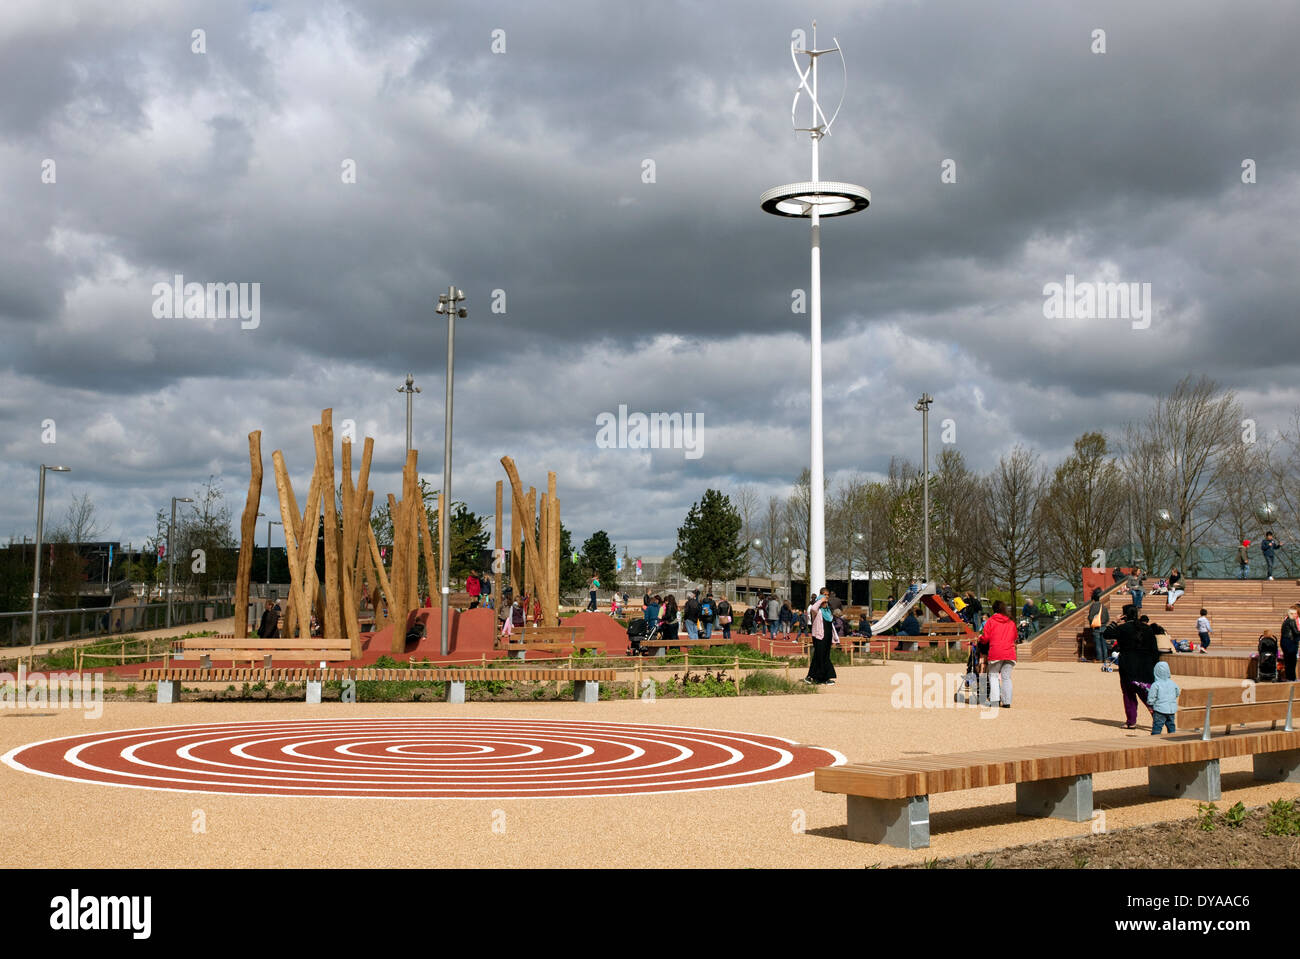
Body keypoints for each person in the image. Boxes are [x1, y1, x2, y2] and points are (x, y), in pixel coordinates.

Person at [1105, 604, 1160, 729]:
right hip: (1146, 665)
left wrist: (1115, 621)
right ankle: (1158, 718)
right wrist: (1154, 665)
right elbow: (1154, 650)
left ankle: (1131, 721)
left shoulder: (1123, 628)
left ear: (1124, 615)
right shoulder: (1147, 629)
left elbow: (1107, 634)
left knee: (1129, 694)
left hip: (1128, 665)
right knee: (1147, 694)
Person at [981, 599, 1017, 708]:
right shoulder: (1011, 622)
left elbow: (985, 638)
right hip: (1010, 653)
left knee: (993, 676)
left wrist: (980, 639)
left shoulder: (991, 621)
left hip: (996, 652)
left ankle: (995, 701)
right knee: (1006, 678)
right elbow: (1015, 637)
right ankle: (1007, 702)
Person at [804, 588, 838, 685]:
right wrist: (820, 600)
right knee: (820, 656)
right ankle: (816, 677)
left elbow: (831, 626)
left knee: (823, 656)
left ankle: (819, 678)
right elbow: (813, 608)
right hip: (819, 637)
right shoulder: (817, 611)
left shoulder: (827, 612)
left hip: (827, 638)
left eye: (827, 595)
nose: (826, 598)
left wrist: (834, 639)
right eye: (824, 595)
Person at [1148, 661, 1180, 735]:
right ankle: (1172, 739)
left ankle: (1155, 740)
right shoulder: (1173, 683)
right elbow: (1177, 692)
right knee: (1171, 726)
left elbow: (1151, 697)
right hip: (1171, 709)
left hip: (1159, 709)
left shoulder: (1156, 684)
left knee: (1157, 726)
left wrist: (1150, 704)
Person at [1087, 588, 1111, 670]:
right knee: (1104, 643)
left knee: (1097, 643)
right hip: (1104, 626)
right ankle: (1106, 658)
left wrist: (1091, 623)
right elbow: (1107, 617)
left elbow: (1090, 617)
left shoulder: (1093, 606)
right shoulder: (1103, 606)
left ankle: (1099, 658)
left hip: (1096, 626)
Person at [1282, 606, 1300, 682]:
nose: (1297, 615)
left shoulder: (1286, 620)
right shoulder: (1292, 621)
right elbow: (1296, 632)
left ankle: (1289, 677)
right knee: (1292, 661)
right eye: (1295, 613)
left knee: (1288, 661)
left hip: (1285, 641)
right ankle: (1292, 678)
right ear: (1292, 614)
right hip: (1290, 642)